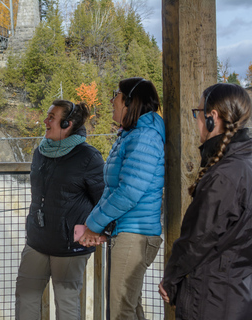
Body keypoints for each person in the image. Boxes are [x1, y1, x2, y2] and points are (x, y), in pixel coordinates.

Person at [159, 83, 252, 320]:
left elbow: (197, 239)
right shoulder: (244, 164)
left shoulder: (225, 176)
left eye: (197, 112)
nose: (196, 120)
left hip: (212, 296)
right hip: (239, 292)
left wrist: (170, 279)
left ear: (212, 118)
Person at [79, 78, 165, 320]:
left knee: (121, 311)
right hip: (127, 232)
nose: (111, 101)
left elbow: (129, 192)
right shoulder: (132, 135)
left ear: (130, 101)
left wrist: (92, 224)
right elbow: (114, 187)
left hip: (135, 236)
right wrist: (99, 223)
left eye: (116, 95)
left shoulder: (144, 137)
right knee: (130, 307)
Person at [15, 99, 105, 319]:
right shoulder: (40, 152)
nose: (45, 121)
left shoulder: (88, 156)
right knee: (25, 299)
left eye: (51, 117)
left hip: (69, 246)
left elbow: (103, 199)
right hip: (37, 241)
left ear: (67, 124)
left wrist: (98, 230)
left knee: (66, 306)